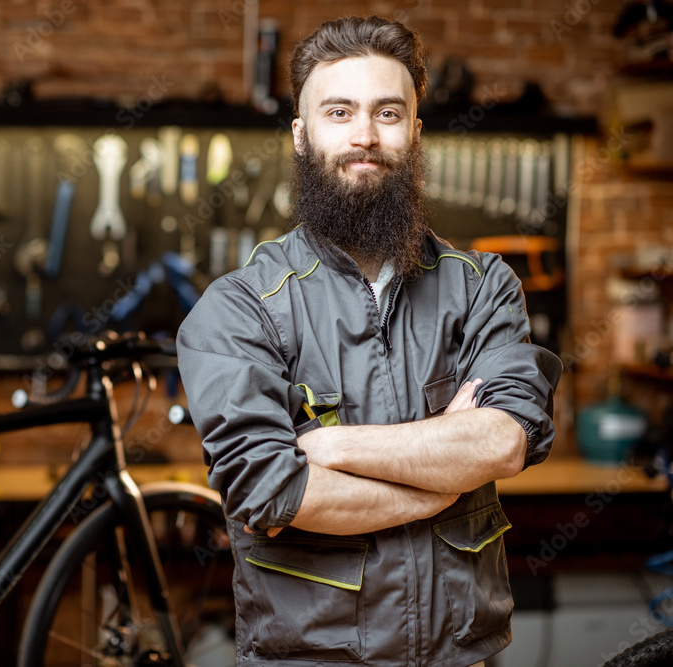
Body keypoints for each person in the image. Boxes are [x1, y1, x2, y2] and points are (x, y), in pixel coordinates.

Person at [176, 15, 562, 667]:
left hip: (459, 657)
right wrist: (445, 481)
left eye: (388, 112)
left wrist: (330, 445)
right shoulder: (239, 308)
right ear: (302, 136)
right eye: (339, 112)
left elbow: (503, 438)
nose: (364, 136)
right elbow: (270, 489)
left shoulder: (484, 287)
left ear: (414, 131)